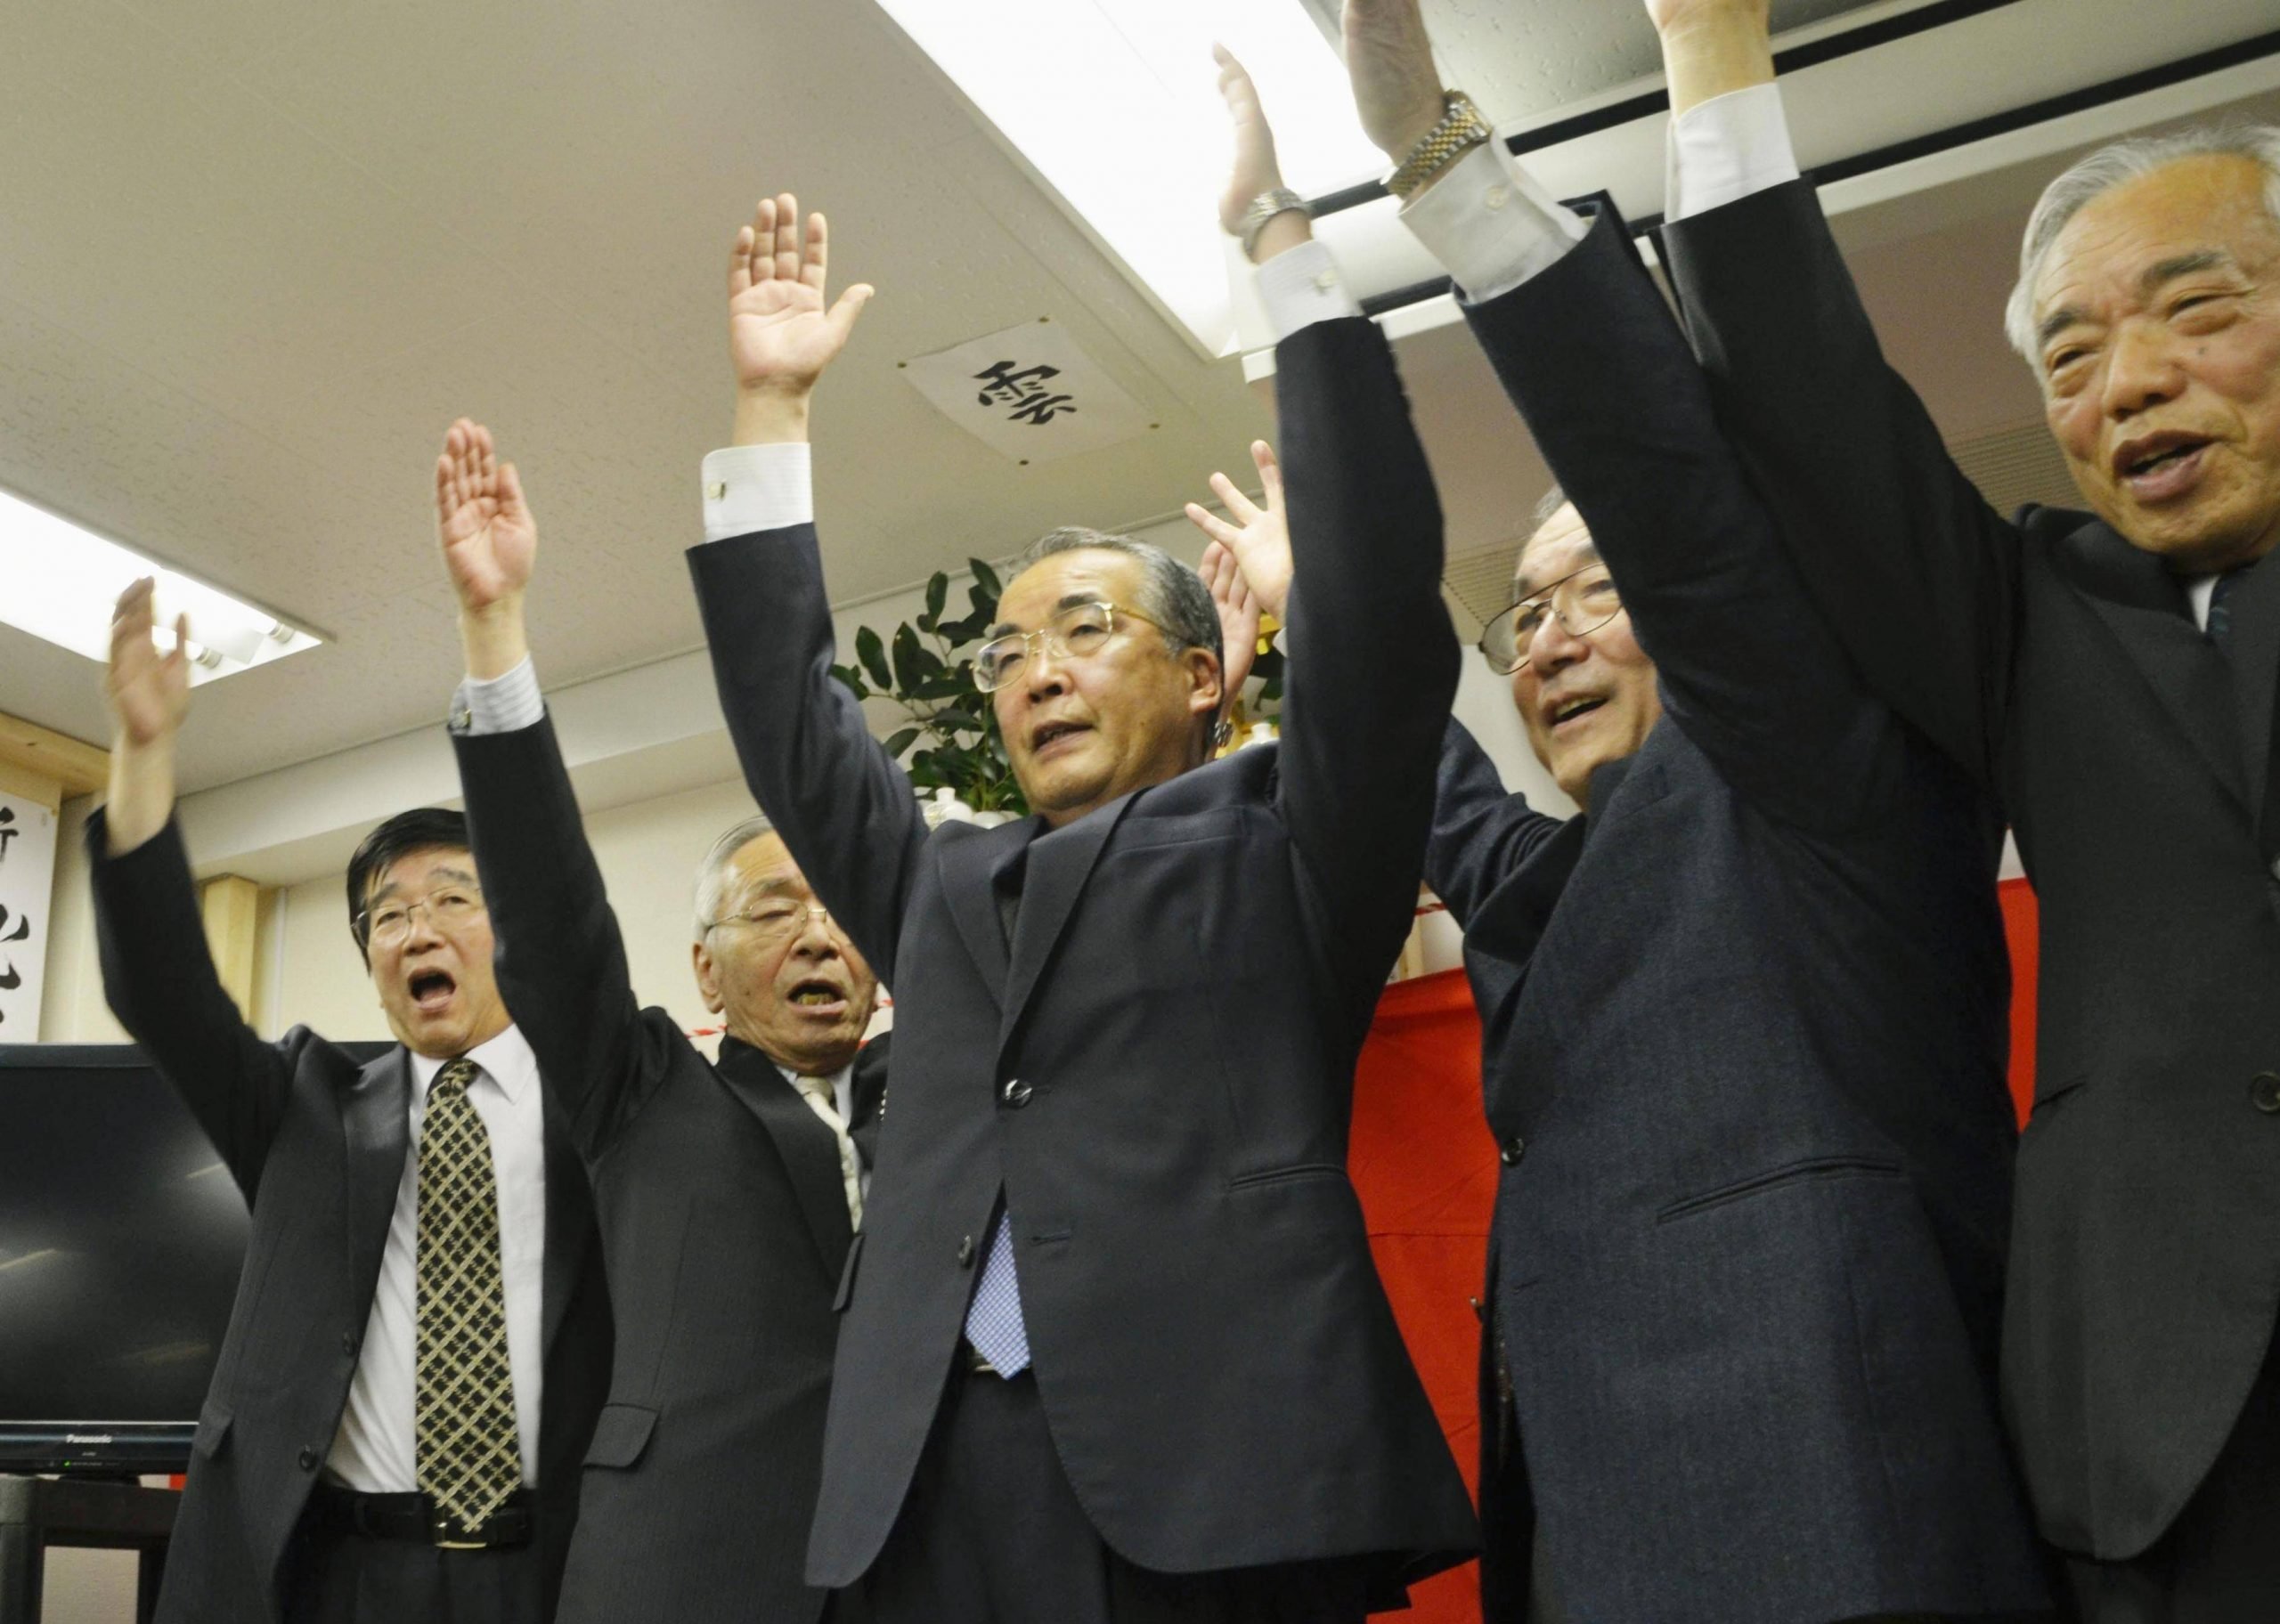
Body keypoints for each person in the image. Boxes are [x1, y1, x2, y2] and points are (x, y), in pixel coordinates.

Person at [1191, 13, 2048, 1619]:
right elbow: (1429, 771)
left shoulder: (1813, 783)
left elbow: (1684, 507)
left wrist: (1432, 158)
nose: (1551, 636)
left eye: (1600, 591)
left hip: (1839, 1528)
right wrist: (1273, 242)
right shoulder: (1548, 887)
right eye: (1521, 615)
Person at [676, 142, 1476, 1622]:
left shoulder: (1282, 841)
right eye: (1005, 654)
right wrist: (772, 412)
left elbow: (1383, 668)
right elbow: (795, 722)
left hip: (1217, 1471)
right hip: (927, 1482)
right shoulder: (938, 883)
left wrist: (1286, 263)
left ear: (1201, 675)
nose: (1032, 669)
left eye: (1083, 630)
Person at [1640, 0, 2280, 1613]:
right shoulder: (2038, 620)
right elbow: (1808, 397)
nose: (2128, 383)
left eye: (2195, 314)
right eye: (2071, 354)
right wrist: (1709, 46)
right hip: (2172, 1428)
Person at [428, 419, 889, 1623]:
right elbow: (551, 915)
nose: (822, 937)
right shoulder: (639, 1091)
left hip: (929, 1564)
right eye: (776, 910)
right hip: (689, 1569)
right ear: (706, 969)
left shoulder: (944, 1092)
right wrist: (497, 640)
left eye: (840, 913)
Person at [86, 580, 609, 1623]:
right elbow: (161, 988)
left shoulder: (602, 1101)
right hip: (344, 1572)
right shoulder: (303, 1107)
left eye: (455, 899)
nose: (418, 931)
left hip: (559, 1565)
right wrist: (143, 755)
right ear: (371, 961)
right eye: (387, 916)